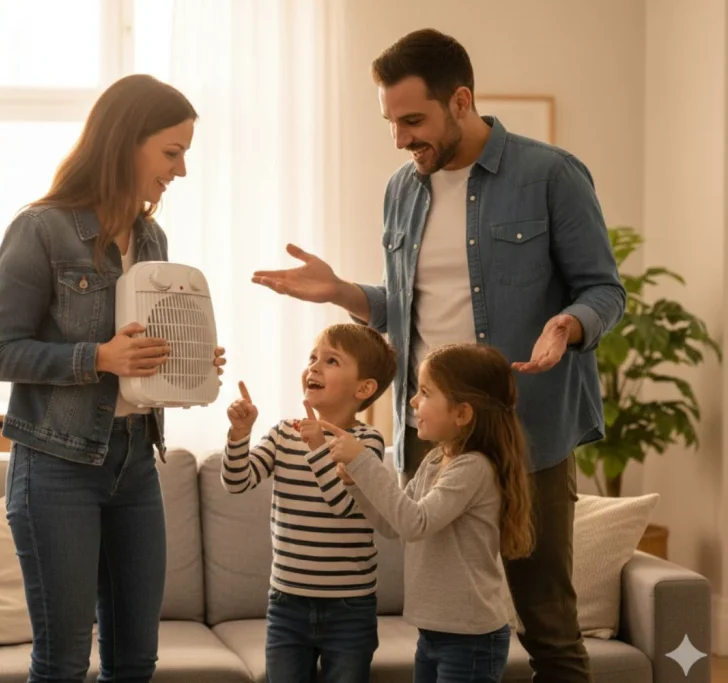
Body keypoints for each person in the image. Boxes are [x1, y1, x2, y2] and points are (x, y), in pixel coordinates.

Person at [251, 28, 626, 683]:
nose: (400, 138)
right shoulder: (403, 189)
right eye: (391, 122)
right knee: (444, 620)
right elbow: (406, 307)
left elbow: (604, 288)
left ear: (460, 101)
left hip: (527, 431)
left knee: (549, 623)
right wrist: (342, 291)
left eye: (413, 120)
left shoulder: (550, 175)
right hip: (431, 438)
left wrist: (567, 322)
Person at [0, 74, 227, 683]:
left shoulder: (152, 238)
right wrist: (98, 358)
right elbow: (1, 353)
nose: (180, 171)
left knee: (135, 663)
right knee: (64, 663)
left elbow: (139, 352)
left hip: (135, 463)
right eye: (172, 153)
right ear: (126, 142)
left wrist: (187, 363)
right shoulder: (40, 229)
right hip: (55, 466)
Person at [326, 343, 534, 683]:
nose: (412, 401)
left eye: (424, 392)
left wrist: (365, 461)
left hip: (470, 639)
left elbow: (415, 523)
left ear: (462, 413)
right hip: (436, 632)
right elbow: (396, 525)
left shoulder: (474, 469)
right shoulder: (438, 459)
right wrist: (356, 484)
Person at [222, 323, 396, 683]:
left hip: (351, 607)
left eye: (331, 361)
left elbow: (342, 503)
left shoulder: (366, 441)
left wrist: (317, 447)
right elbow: (237, 481)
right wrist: (239, 436)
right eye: (313, 357)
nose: (314, 367)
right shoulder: (284, 432)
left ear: (363, 388)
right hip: (288, 603)